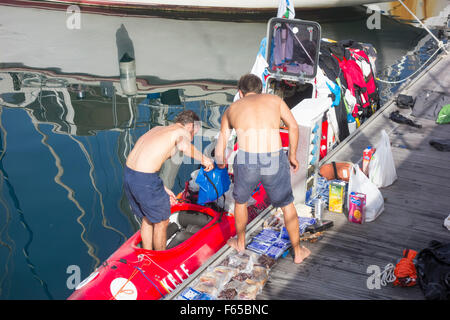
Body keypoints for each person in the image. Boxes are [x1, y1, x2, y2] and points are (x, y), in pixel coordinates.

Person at [215, 73, 310, 264]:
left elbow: (222, 141)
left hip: (247, 159)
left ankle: (240, 242)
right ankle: (298, 252)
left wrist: (220, 162)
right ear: (261, 90)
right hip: (273, 157)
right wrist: (292, 155)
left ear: (240, 93)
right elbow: (293, 126)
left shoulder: (232, 108)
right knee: (286, 205)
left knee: (241, 202)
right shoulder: (274, 100)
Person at [124, 110, 214, 250]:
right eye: (193, 134)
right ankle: (160, 257)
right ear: (190, 126)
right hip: (145, 179)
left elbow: (148, 159)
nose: (191, 138)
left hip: (130, 175)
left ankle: (147, 253)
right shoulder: (181, 132)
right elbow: (185, 147)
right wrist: (205, 160)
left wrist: (162, 187)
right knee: (162, 221)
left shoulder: (158, 129)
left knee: (147, 218)